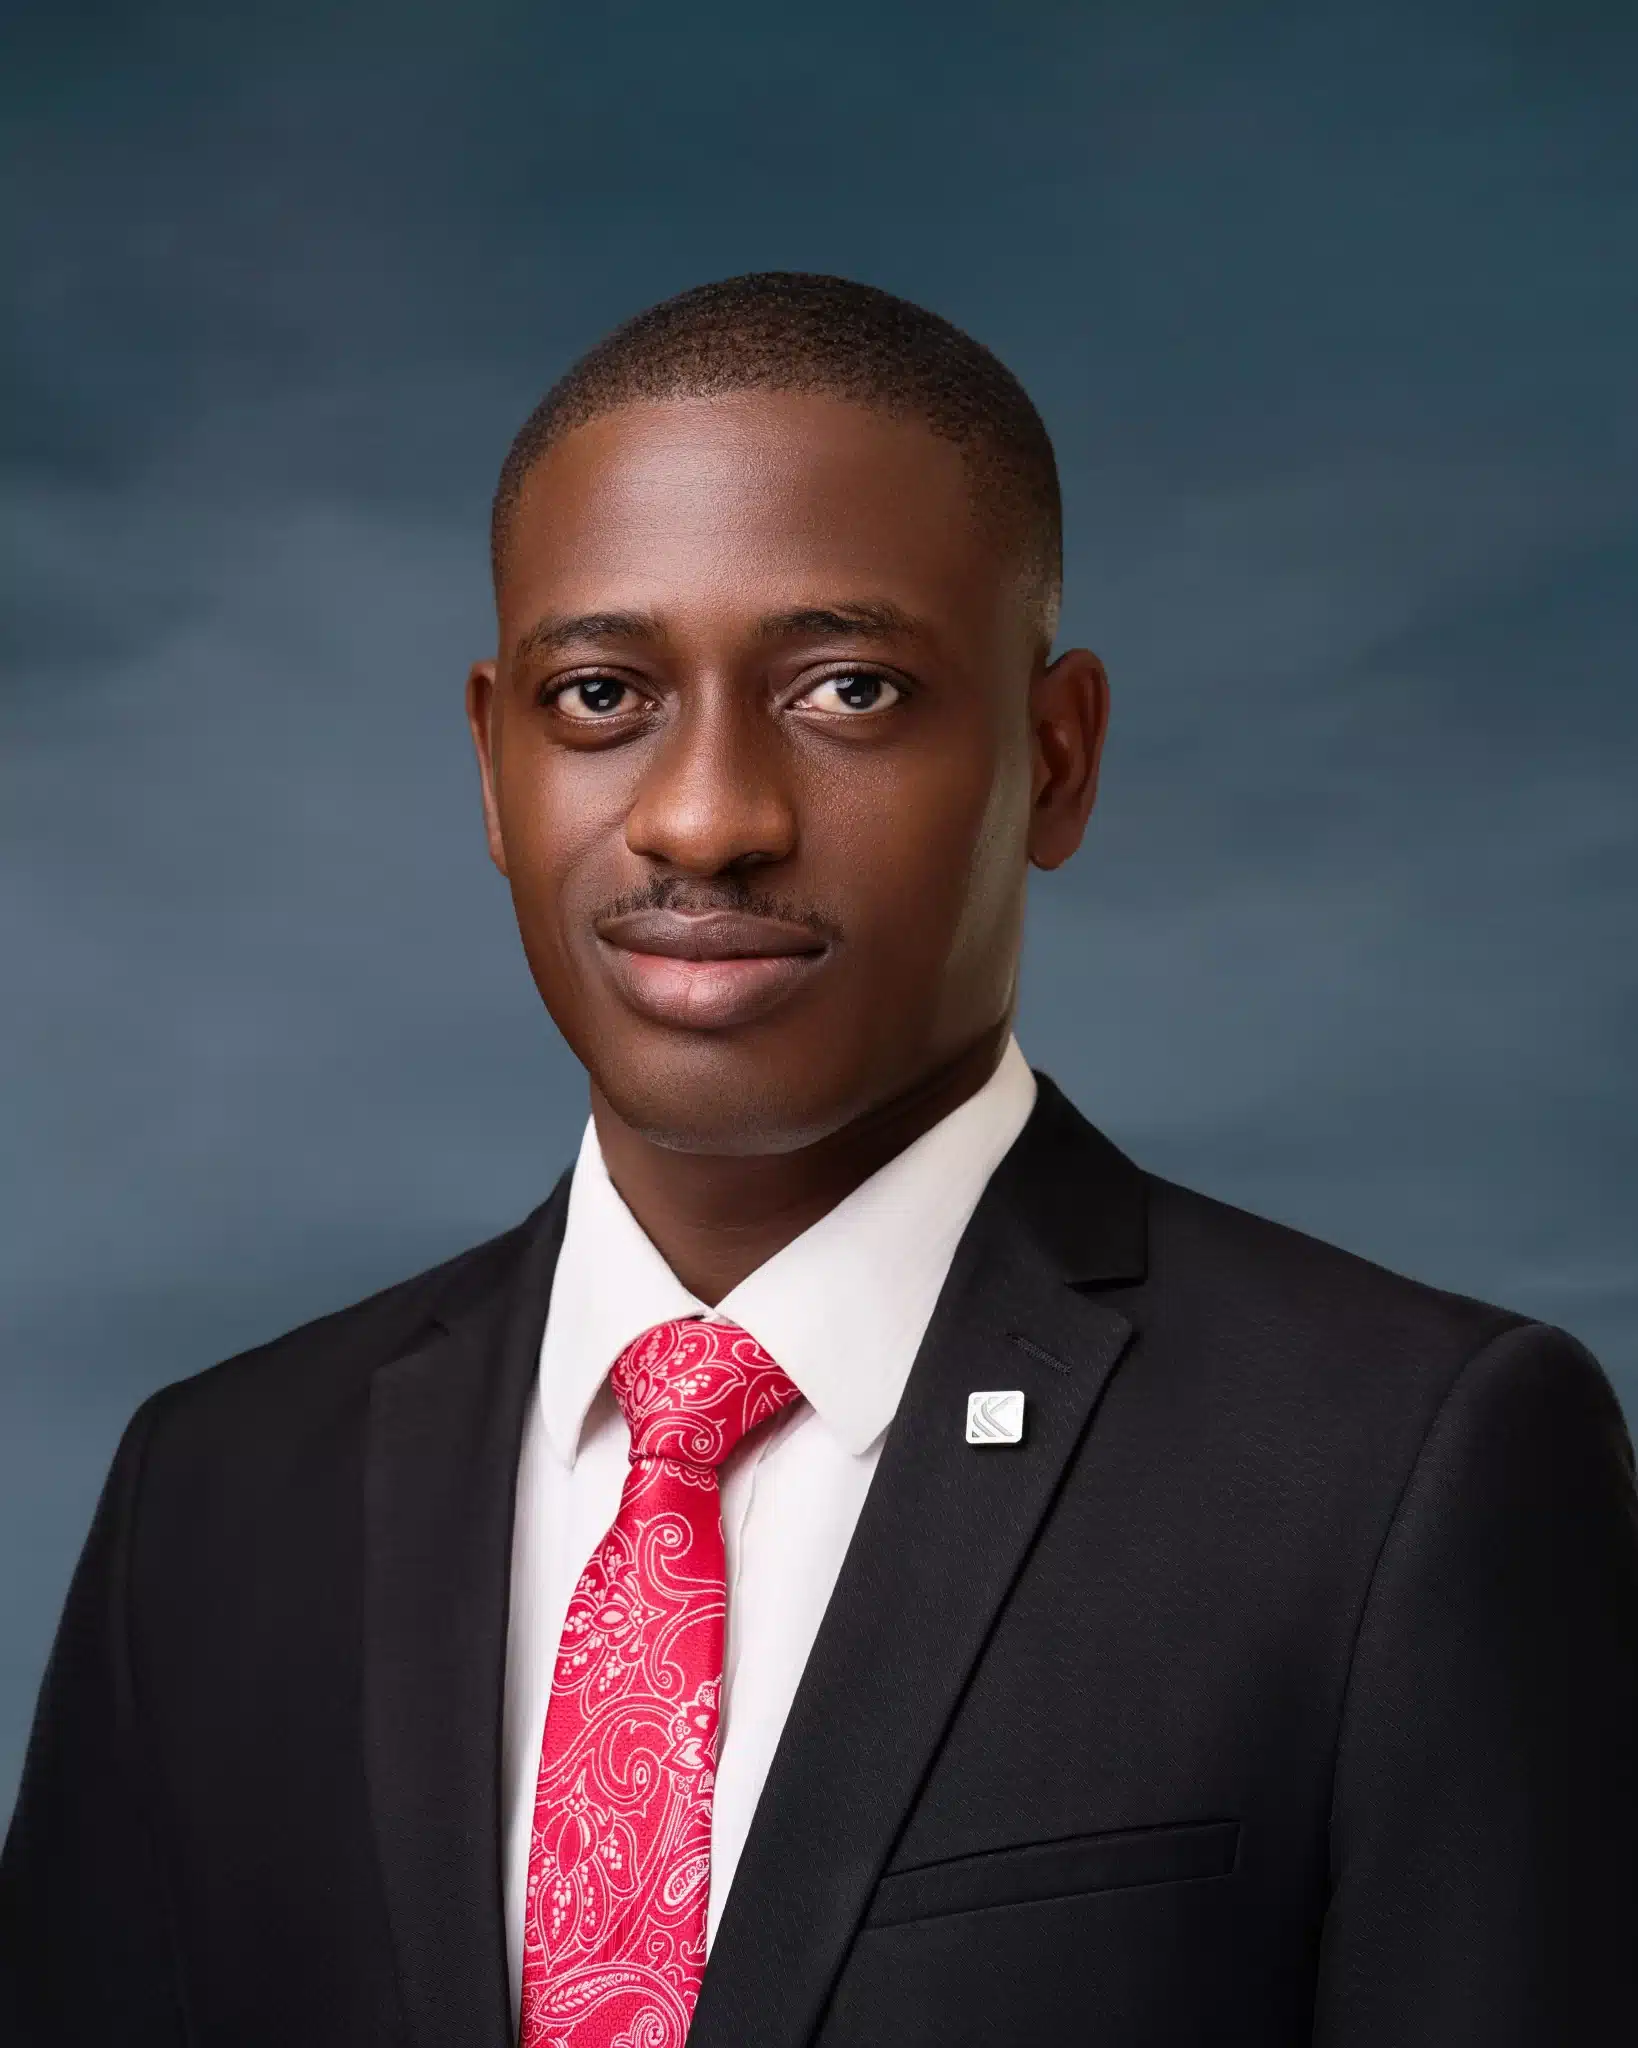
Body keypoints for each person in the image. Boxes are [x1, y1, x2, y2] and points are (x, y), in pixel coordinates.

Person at [3, 272, 1635, 2048]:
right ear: (490, 763)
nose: (706, 817)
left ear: (1055, 756)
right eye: (602, 694)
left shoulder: (1404, 1467)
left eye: (850, 690)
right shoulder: (220, 1493)